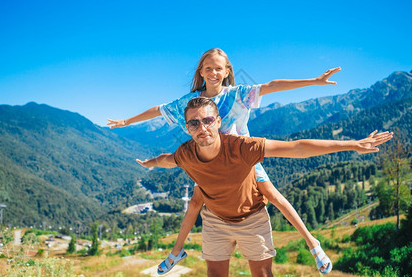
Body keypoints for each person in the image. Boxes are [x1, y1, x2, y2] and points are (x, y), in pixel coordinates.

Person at [107, 48, 341, 274]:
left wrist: (314, 81)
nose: (213, 73)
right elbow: (159, 109)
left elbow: (272, 86)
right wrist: (127, 121)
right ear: (201, 71)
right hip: (210, 164)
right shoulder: (191, 102)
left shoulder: (238, 94)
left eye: (218, 68)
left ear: (227, 71)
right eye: (208, 68)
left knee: (272, 194)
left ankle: (312, 244)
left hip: (242, 159)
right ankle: (176, 251)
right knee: (195, 203)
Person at [136, 97, 393, 276]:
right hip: (215, 220)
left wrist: (352, 144)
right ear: (187, 127)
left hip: (252, 218)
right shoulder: (186, 154)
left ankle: (312, 244)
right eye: (194, 123)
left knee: (262, 274)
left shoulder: (241, 148)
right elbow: (166, 160)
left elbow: (297, 147)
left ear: (217, 121)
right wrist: (150, 163)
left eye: (207, 120)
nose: (201, 127)